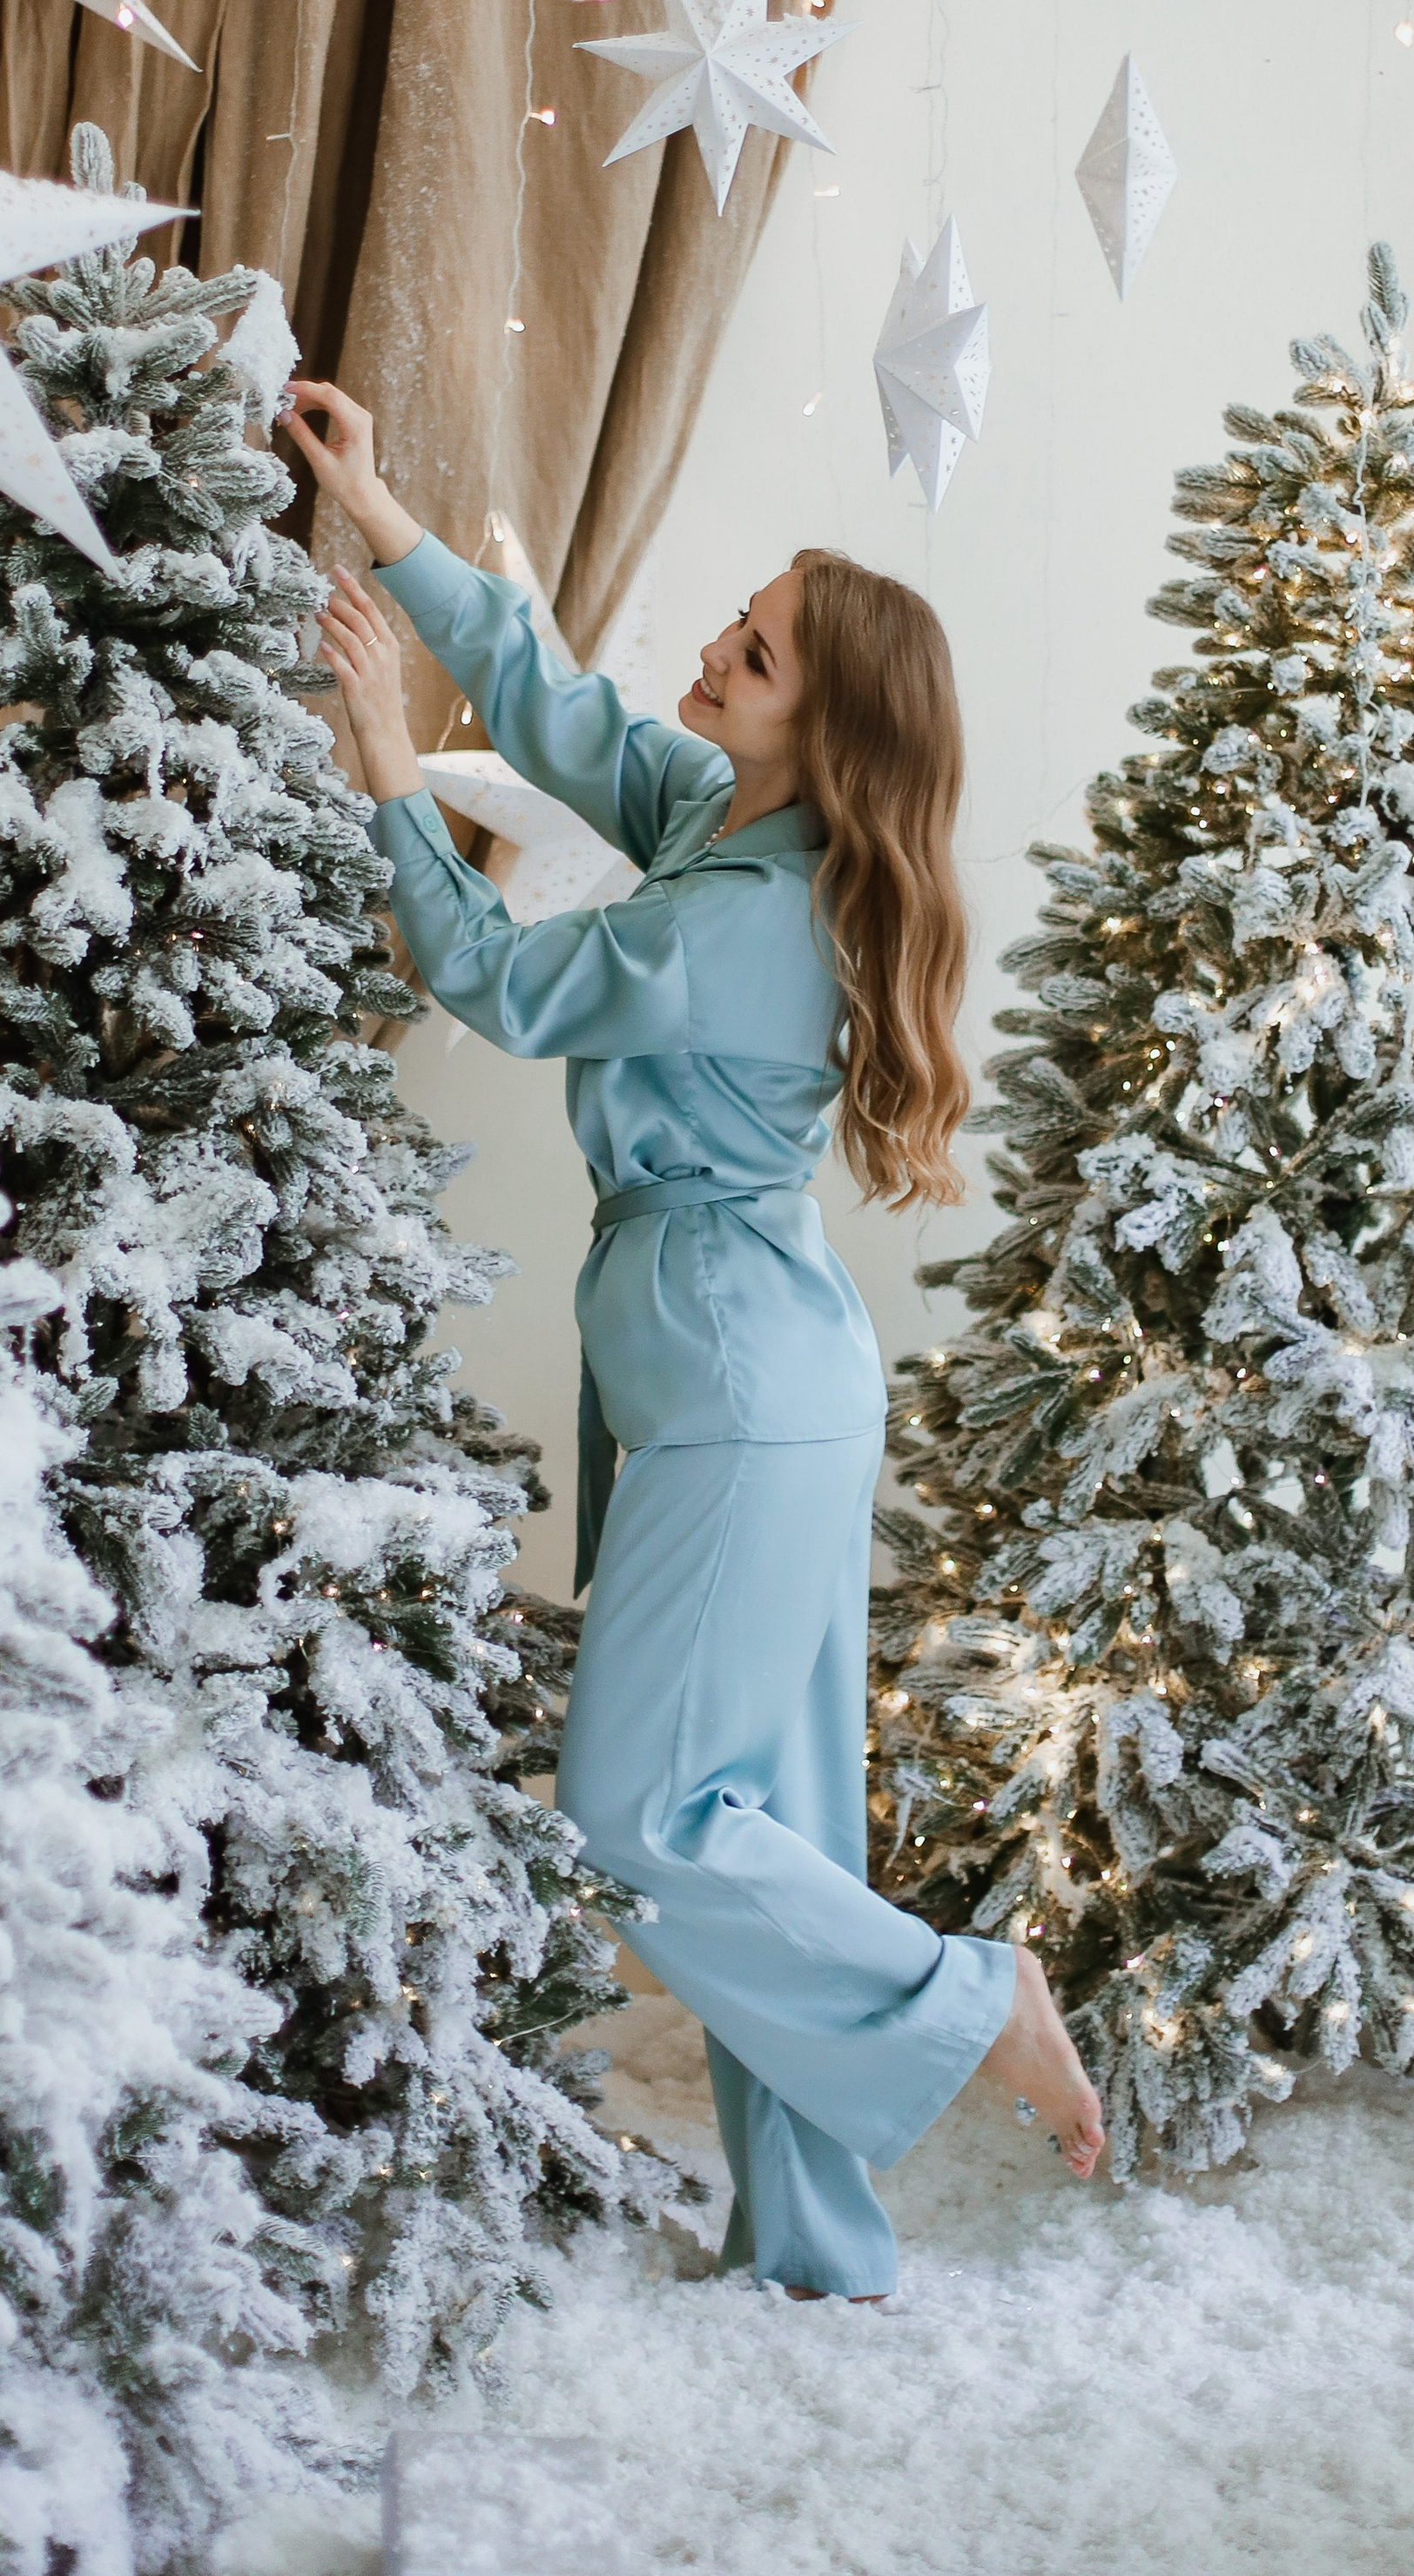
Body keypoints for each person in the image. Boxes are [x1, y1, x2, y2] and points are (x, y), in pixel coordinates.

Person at [281, 381, 1104, 2304]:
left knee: (638, 1815)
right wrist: (383, 514)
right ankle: (815, 2242)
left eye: (754, 654)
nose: (713, 657)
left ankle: (970, 1997)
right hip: (746, 1380)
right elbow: (562, 708)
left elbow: (497, 978)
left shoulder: (756, 918)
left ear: (828, 727)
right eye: (734, 626)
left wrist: (388, 767)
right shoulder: (722, 822)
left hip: (739, 1398)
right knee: (781, 1824)